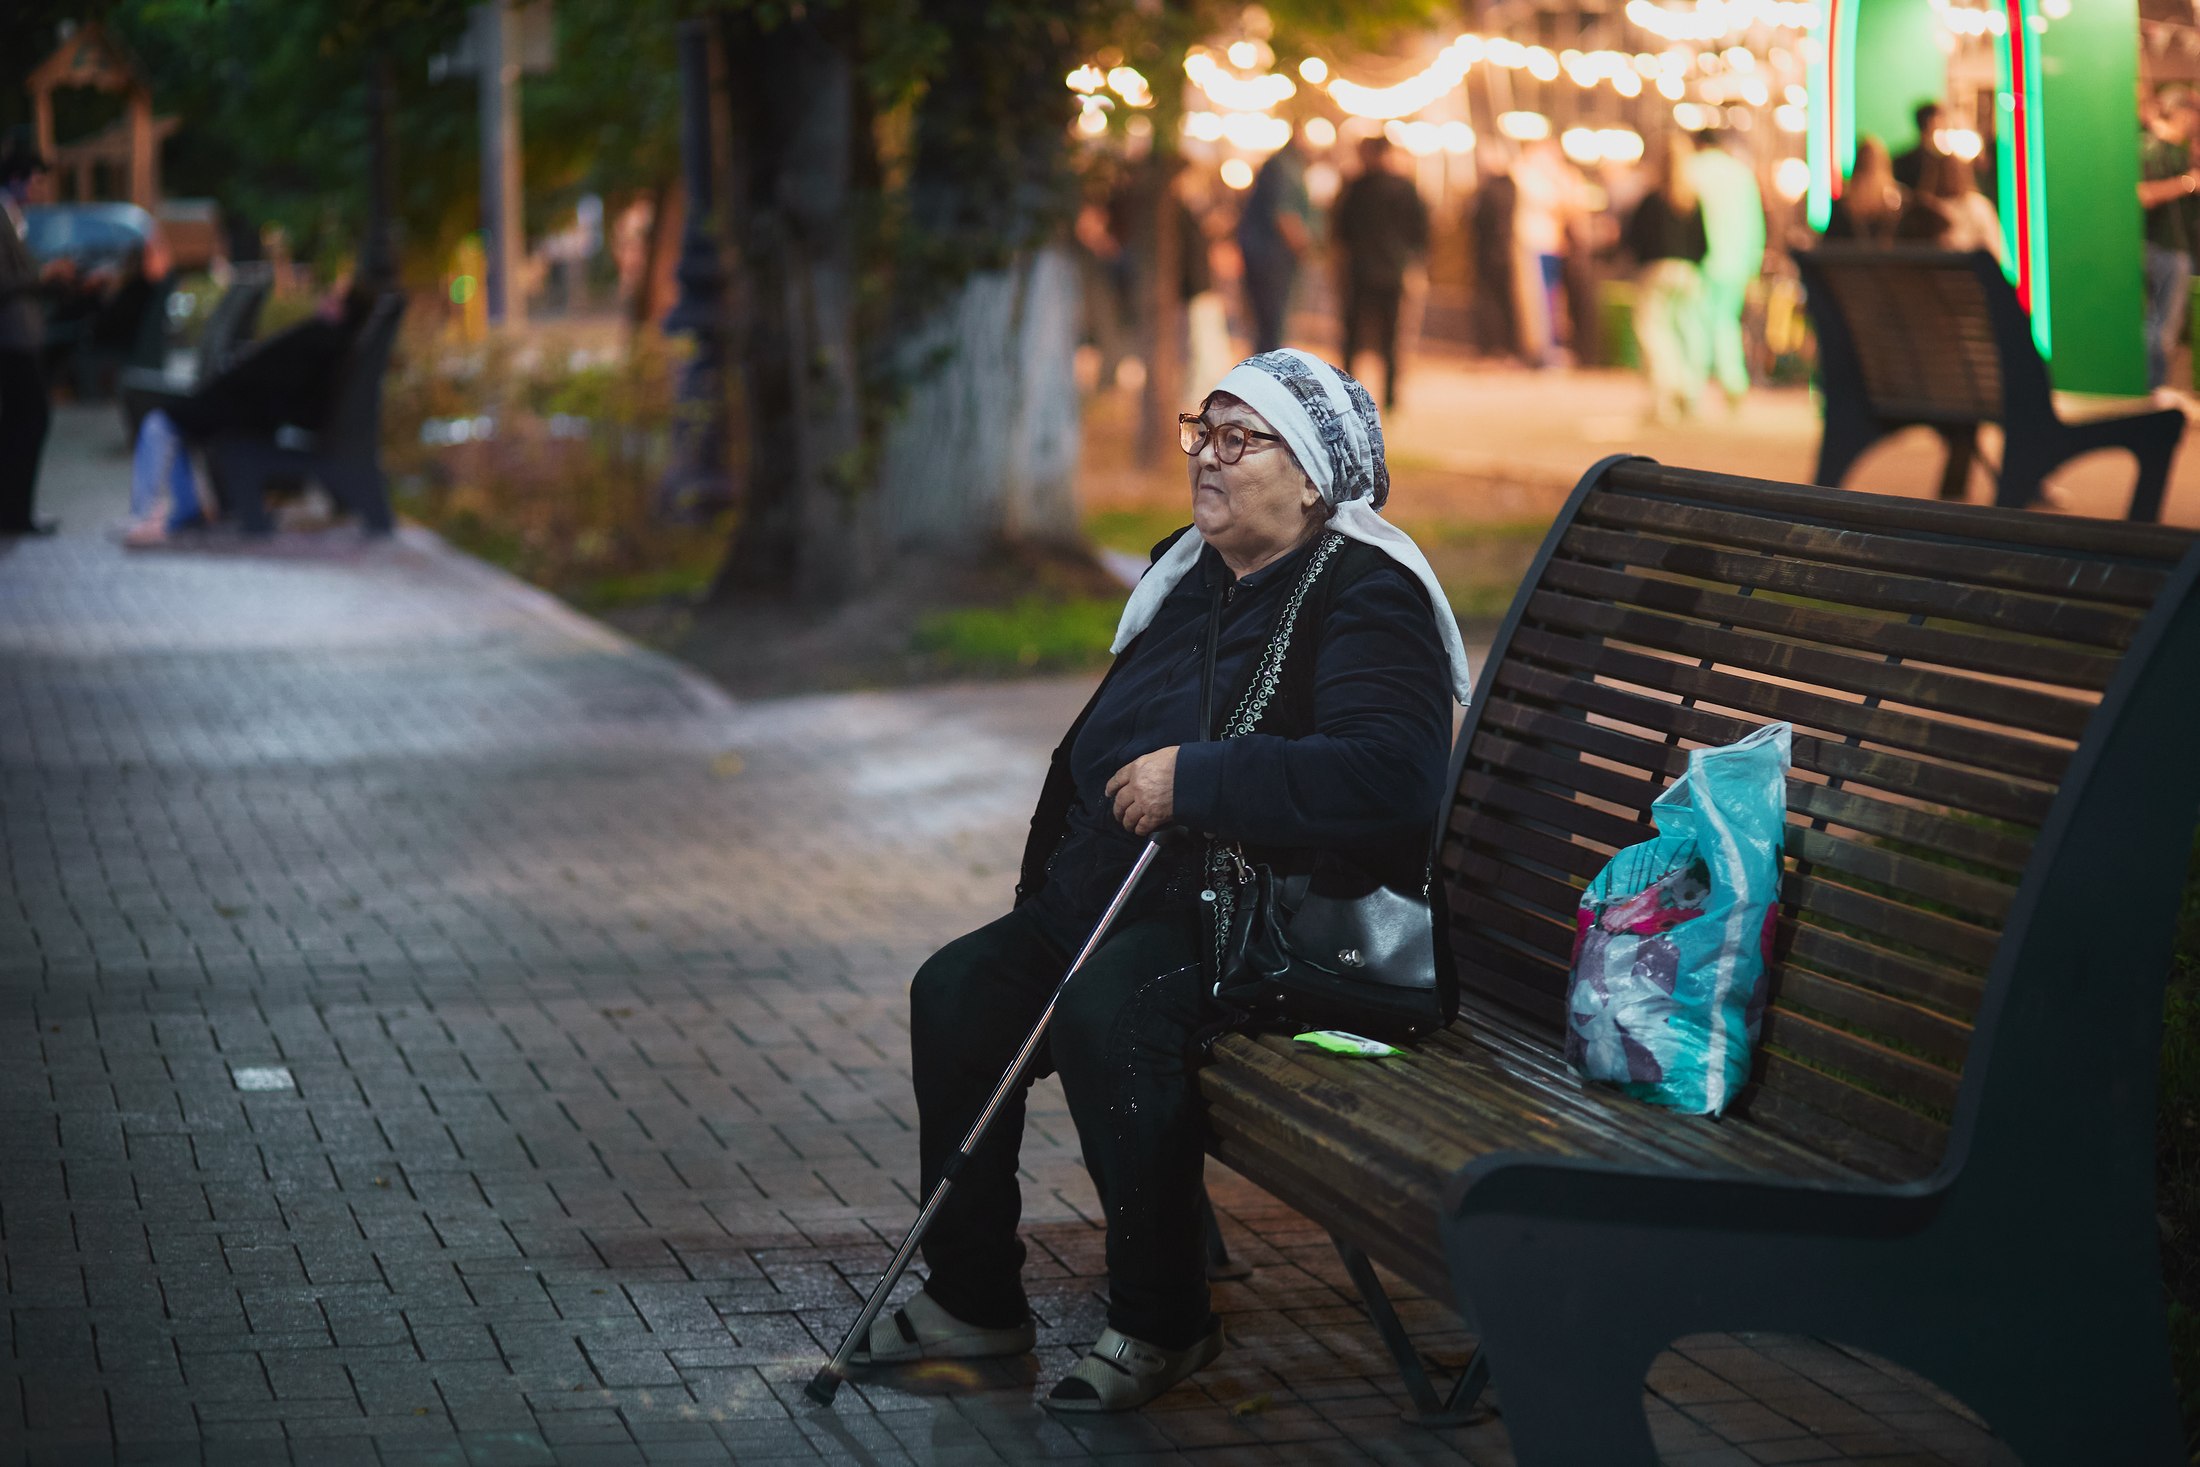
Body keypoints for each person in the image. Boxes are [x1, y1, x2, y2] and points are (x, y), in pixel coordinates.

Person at [860, 348, 1468, 1412]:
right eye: (1205, 430)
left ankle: (1161, 1319)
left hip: (1258, 922)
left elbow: (1394, 779)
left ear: (1316, 475)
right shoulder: (1185, 571)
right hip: (1103, 896)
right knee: (955, 992)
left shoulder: (1366, 597)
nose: (1209, 458)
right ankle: (974, 1303)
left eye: (1242, 438)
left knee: (1112, 1008)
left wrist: (1201, 780)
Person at [123, 279, 374, 544]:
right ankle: (181, 511)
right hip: (245, 408)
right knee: (167, 425)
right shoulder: (326, 340)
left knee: (160, 425)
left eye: (333, 299)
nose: (324, 301)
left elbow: (278, 386)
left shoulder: (321, 338)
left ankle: (145, 515)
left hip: (243, 413)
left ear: (343, 311)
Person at [1330, 136, 1429, 410]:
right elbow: (1420, 232)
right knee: (1390, 336)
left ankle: (1349, 393)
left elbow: (1340, 229)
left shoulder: (1355, 187)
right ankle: (1390, 397)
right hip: (1390, 270)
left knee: (1353, 336)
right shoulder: (1404, 187)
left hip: (1361, 270)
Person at [1625, 133, 1709, 423]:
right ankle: (1689, 392)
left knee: (1652, 333)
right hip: (1688, 273)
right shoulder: (1692, 200)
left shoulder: (1652, 200)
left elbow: (1634, 238)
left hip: (1656, 271)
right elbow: (1704, 244)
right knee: (1685, 334)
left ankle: (1665, 395)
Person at [0, 130, 54, 537]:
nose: (38, 188)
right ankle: (15, 514)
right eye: (34, 179)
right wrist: (43, 277)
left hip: (22, 336)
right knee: (30, 418)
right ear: (16, 178)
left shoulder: (14, 220)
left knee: (25, 420)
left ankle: (17, 513)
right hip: (11, 338)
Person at [1688, 130, 1765, 409]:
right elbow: (1755, 222)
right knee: (1726, 321)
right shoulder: (1741, 174)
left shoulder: (1692, 169)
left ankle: (1692, 387)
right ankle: (1733, 380)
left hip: (1700, 259)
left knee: (1694, 325)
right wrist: (1751, 263)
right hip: (1736, 260)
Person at [2138, 90, 2200, 393]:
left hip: (2178, 248)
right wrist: (2187, 183)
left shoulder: (2181, 151)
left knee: (2165, 327)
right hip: (2159, 247)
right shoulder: (2152, 148)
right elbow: (2145, 194)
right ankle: (2153, 392)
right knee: (2159, 327)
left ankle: (2157, 389)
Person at [1512, 139, 1591, 366]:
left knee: (1553, 299)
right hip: (1534, 245)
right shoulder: (1528, 175)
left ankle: (1552, 346)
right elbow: (1560, 203)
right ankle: (1541, 349)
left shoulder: (1551, 176)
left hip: (1551, 246)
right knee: (1539, 300)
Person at [1235, 136, 1313, 353]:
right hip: (1271, 258)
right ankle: (1265, 378)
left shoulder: (1282, 166)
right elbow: (1284, 215)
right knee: (1272, 325)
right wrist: (1305, 247)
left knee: (1268, 325)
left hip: (1266, 255)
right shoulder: (1283, 168)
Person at [1895, 149, 2004, 260]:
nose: (1951, 175)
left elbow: (1993, 246)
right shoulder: (1926, 208)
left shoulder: (1979, 206)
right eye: (1946, 170)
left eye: (1955, 170)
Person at [1468, 144, 1523, 361]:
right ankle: (1505, 348)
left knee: (1491, 301)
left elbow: (1479, 219)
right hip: (1505, 249)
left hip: (1490, 250)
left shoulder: (1490, 189)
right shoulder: (1512, 188)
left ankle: (1493, 348)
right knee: (1504, 301)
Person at [1824, 138, 1906, 244]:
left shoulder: (1844, 204)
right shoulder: (1898, 201)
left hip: (1849, 258)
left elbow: (1830, 243)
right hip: (1890, 259)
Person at [1892, 102, 1946, 192]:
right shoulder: (1939, 161)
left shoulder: (1900, 159)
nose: (1945, 124)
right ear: (1930, 122)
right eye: (1941, 118)